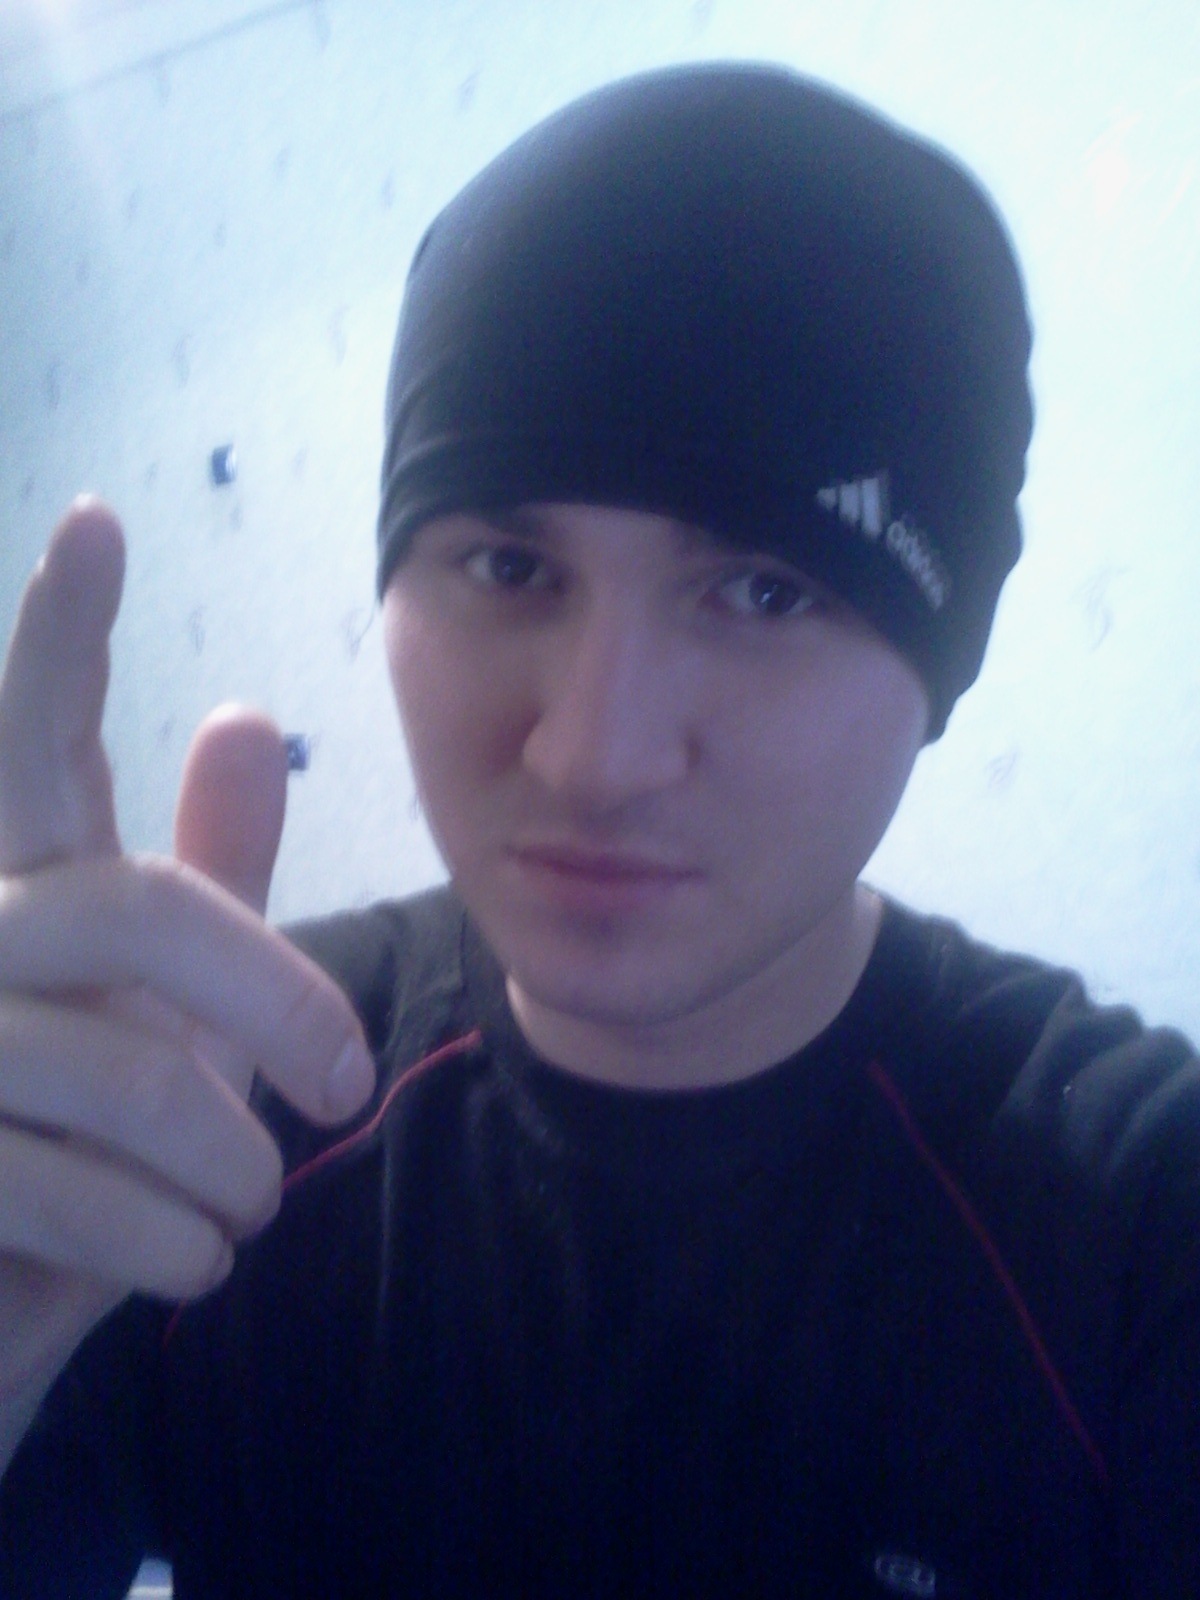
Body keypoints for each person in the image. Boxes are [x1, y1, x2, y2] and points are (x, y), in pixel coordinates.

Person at [0, 61, 1196, 1600]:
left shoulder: (1137, 1231)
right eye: (510, 568)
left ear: (940, 669)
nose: (592, 756)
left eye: (765, 589)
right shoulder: (194, 1111)